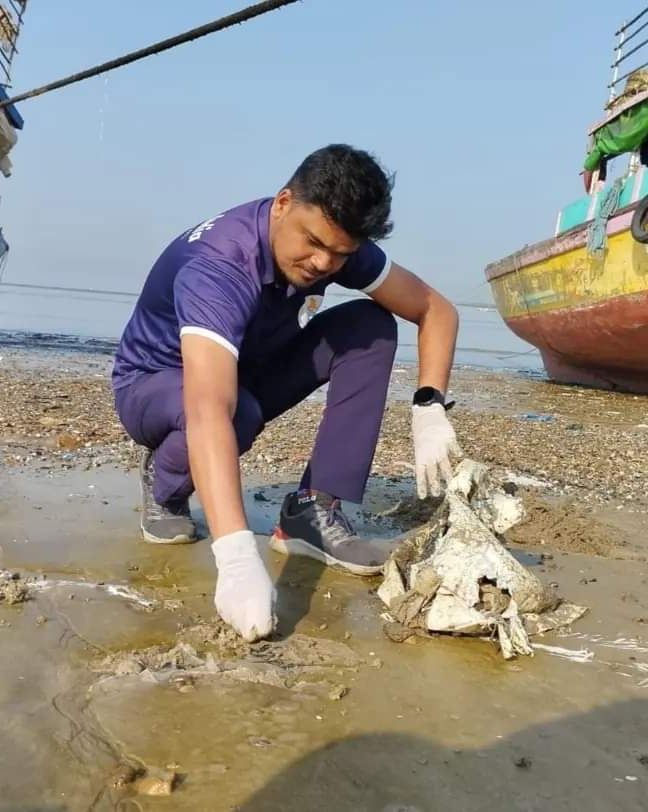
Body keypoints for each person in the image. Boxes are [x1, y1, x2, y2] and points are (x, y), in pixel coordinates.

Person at [112, 144, 461, 642]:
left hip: (246, 369)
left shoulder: (335, 246)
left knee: (371, 325)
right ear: (282, 203)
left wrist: (429, 407)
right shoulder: (219, 265)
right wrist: (235, 558)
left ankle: (313, 512)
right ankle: (164, 489)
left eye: (340, 254)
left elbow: (435, 309)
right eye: (314, 242)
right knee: (236, 415)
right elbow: (210, 405)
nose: (322, 262)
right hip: (154, 384)